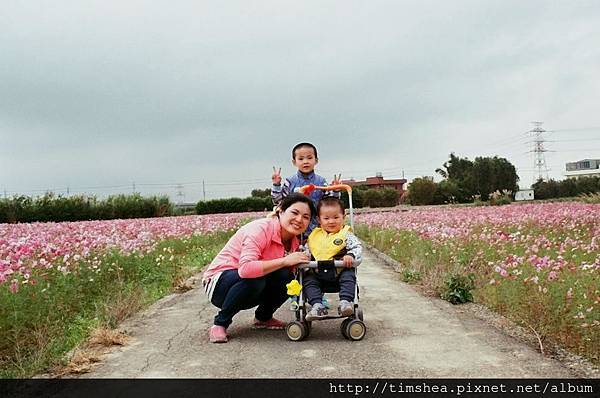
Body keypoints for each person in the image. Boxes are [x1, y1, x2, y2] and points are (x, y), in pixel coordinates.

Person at [202, 193, 315, 343]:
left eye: (306, 217)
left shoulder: (295, 242)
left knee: (287, 277)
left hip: (249, 284)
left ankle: (263, 317)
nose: (299, 219)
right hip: (219, 284)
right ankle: (220, 324)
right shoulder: (260, 229)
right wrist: (285, 260)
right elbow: (246, 269)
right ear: (280, 211)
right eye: (294, 213)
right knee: (256, 278)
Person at [303, 197, 362, 321]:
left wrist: (350, 255)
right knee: (308, 280)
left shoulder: (346, 234)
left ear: (343, 217)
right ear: (319, 220)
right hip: (317, 273)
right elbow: (306, 249)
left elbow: (357, 247)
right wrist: (305, 255)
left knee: (349, 275)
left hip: (339, 272)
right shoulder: (314, 236)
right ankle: (317, 305)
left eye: (336, 217)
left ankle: (345, 303)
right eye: (326, 218)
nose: (331, 221)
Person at [271, 142, 340, 239]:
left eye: (309, 158)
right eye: (301, 159)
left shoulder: (321, 182)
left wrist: (335, 190)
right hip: (294, 227)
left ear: (316, 161)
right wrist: (276, 185)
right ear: (294, 162)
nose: (305, 161)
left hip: (316, 229)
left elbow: (330, 204)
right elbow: (278, 201)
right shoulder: (290, 181)